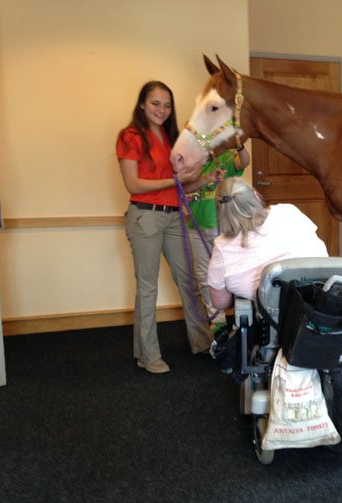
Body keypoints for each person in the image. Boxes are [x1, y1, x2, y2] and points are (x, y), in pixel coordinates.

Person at [116, 80, 213, 374]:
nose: (162, 110)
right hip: (145, 217)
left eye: (167, 105)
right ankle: (148, 355)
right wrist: (178, 181)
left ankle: (204, 343)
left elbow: (183, 185)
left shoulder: (172, 138)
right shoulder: (130, 136)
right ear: (142, 104)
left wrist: (205, 179)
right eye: (155, 103)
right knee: (148, 289)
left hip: (173, 216)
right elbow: (133, 184)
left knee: (188, 282)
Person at [207, 177, 328, 311]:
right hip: (324, 305)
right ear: (255, 195)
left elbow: (220, 303)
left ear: (220, 212)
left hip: (274, 320)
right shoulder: (288, 211)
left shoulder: (222, 248)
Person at [183, 148, 250, 332]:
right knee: (204, 276)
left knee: (232, 273)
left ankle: (240, 318)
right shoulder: (191, 164)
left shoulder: (225, 158)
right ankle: (217, 320)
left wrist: (241, 146)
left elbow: (243, 161)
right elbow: (181, 189)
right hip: (195, 227)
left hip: (222, 227)